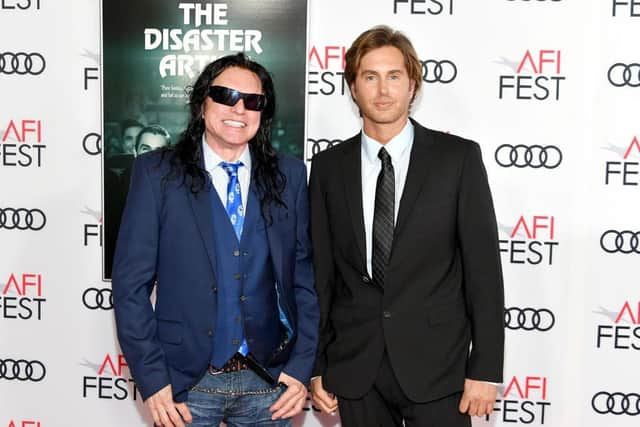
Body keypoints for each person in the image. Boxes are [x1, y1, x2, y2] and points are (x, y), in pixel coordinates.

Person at [309, 26, 504, 427]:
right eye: (369, 76)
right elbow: (322, 275)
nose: (383, 90)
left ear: (412, 85)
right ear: (352, 87)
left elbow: (483, 272)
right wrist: (317, 363)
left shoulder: (458, 160)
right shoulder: (329, 168)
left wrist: (484, 369)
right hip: (356, 368)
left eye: (394, 76)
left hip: (439, 369)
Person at [112, 53, 319, 427]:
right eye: (226, 95)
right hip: (185, 384)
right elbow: (129, 287)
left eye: (253, 101)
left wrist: (302, 366)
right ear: (202, 101)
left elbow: (303, 278)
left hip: (269, 382)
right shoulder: (157, 173)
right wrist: (154, 379)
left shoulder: (289, 175)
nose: (239, 108)